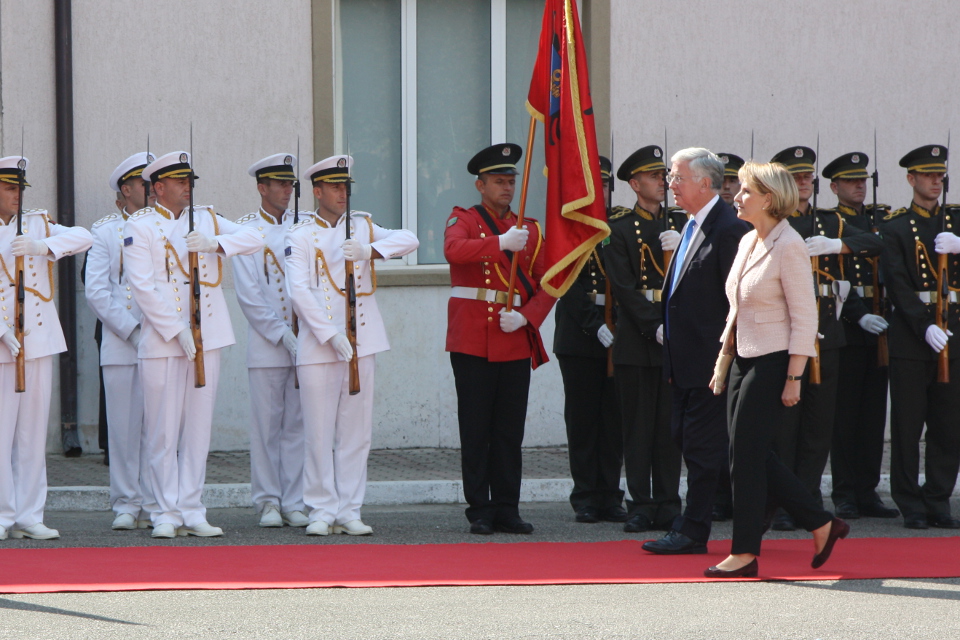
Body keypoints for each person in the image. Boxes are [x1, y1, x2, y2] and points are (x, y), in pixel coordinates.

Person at [706, 160, 848, 578]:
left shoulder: (790, 245)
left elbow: (806, 317)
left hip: (774, 361)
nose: (737, 196)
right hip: (743, 357)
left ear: (769, 198)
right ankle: (821, 522)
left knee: (747, 456)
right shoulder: (749, 240)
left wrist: (794, 376)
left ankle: (745, 552)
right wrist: (723, 361)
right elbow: (736, 309)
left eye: (746, 191)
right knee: (745, 453)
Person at [124, 150, 262, 539]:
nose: (187, 188)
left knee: (198, 429)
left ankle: (192, 507)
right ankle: (165, 511)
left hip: (209, 336)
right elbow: (143, 285)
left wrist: (216, 242)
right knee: (163, 429)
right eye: (180, 182)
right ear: (159, 188)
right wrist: (175, 328)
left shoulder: (206, 219)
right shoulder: (141, 225)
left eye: (190, 182)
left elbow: (255, 237)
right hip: (164, 340)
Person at [286, 154, 418, 536]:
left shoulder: (361, 226)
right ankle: (321, 509)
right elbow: (299, 290)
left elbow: (409, 239)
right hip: (319, 343)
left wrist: (368, 250)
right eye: (335, 187)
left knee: (356, 431)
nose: (343, 193)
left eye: (346, 187)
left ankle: (349, 508)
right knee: (318, 431)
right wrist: (330, 334)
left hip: (362, 339)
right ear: (317, 191)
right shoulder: (301, 234)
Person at [767, 145, 882, 531]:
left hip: (827, 331)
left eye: (807, 177)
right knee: (787, 425)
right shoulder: (771, 220)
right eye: (797, 176)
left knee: (818, 425)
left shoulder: (829, 222)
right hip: (786, 332)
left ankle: (810, 501)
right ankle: (785, 503)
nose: (804, 183)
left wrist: (841, 245)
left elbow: (876, 243)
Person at [444, 143, 556, 535]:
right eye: (498, 181)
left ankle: (508, 506)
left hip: (512, 334)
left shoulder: (531, 228)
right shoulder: (464, 219)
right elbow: (453, 251)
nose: (506, 188)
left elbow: (550, 281)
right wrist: (499, 244)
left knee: (509, 430)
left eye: (510, 181)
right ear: (480, 185)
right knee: (475, 427)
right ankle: (480, 508)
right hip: (473, 337)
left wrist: (528, 317)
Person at [642, 148, 748, 556]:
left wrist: (726, 356)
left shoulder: (727, 227)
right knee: (689, 439)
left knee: (703, 449)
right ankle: (811, 514)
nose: (670, 184)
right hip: (683, 361)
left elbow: (736, 301)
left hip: (712, 361)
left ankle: (693, 530)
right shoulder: (690, 224)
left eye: (677, 177)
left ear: (705, 184)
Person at [0, 155, 93, 540]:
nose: (17, 196)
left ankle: (29, 513)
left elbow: (84, 236)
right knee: (2, 434)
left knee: (33, 433)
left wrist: (40, 245)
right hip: (4, 340)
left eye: (20, 189)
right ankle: (3, 515)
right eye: (9, 188)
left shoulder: (37, 222)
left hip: (37, 338)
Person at [605, 145, 684, 533]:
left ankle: (669, 502)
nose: (662, 183)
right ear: (635, 184)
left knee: (669, 429)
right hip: (639, 340)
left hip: (675, 338)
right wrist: (653, 324)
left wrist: (682, 247)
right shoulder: (619, 230)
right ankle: (640, 503)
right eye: (654, 177)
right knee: (638, 428)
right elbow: (623, 287)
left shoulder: (683, 226)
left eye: (663, 176)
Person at [881, 144, 960, 530]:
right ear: (911, 179)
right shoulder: (896, 226)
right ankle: (910, 502)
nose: (935, 181)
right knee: (908, 426)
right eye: (928, 175)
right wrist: (923, 324)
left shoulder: (957, 221)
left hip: (954, 334)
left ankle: (938, 499)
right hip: (913, 338)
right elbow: (896, 284)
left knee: (948, 424)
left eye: (940, 175)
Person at [233, 153, 311, 529]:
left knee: (297, 425)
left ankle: (295, 499)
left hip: (306, 341)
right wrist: (282, 334)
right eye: (279, 184)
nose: (286, 190)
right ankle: (267, 500)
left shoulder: (306, 227)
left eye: (290, 184)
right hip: (267, 346)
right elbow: (249, 296)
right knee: (266, 427)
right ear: (261, 188)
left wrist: (306, 332)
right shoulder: (246, 231)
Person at [822, 151, 899, 520]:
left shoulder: (881, 219)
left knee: (871, 416)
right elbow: (833, 276)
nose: (859, 186)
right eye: (851, 181)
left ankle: (868, 491)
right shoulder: (831, 223)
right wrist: (859, 314)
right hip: (849, 325)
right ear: (834, 187)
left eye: (862, 181)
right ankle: (845, 493)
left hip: (881, 325)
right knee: (845, 415)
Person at [553, 156, 626, 524]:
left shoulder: (621, 223)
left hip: (618, 332)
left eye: (606, 184)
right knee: (582, 420)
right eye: (594, 185)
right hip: (580, 335)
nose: (603, 191)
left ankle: (611, 495)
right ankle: (585, 496)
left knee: (613, 421)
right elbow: (566, 285)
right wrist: (593, 323)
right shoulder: (567, 228)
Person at [85, 151, 155, 530]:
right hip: (122, 341)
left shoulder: (164, 227)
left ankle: (155, 501)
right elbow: (97, 291)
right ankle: (127, 502)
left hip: (161, 341)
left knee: (157, 428)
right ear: (126, 189)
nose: (150, 189)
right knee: (124, 430)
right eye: (144, 183)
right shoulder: (105, 231)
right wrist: (132, 329)